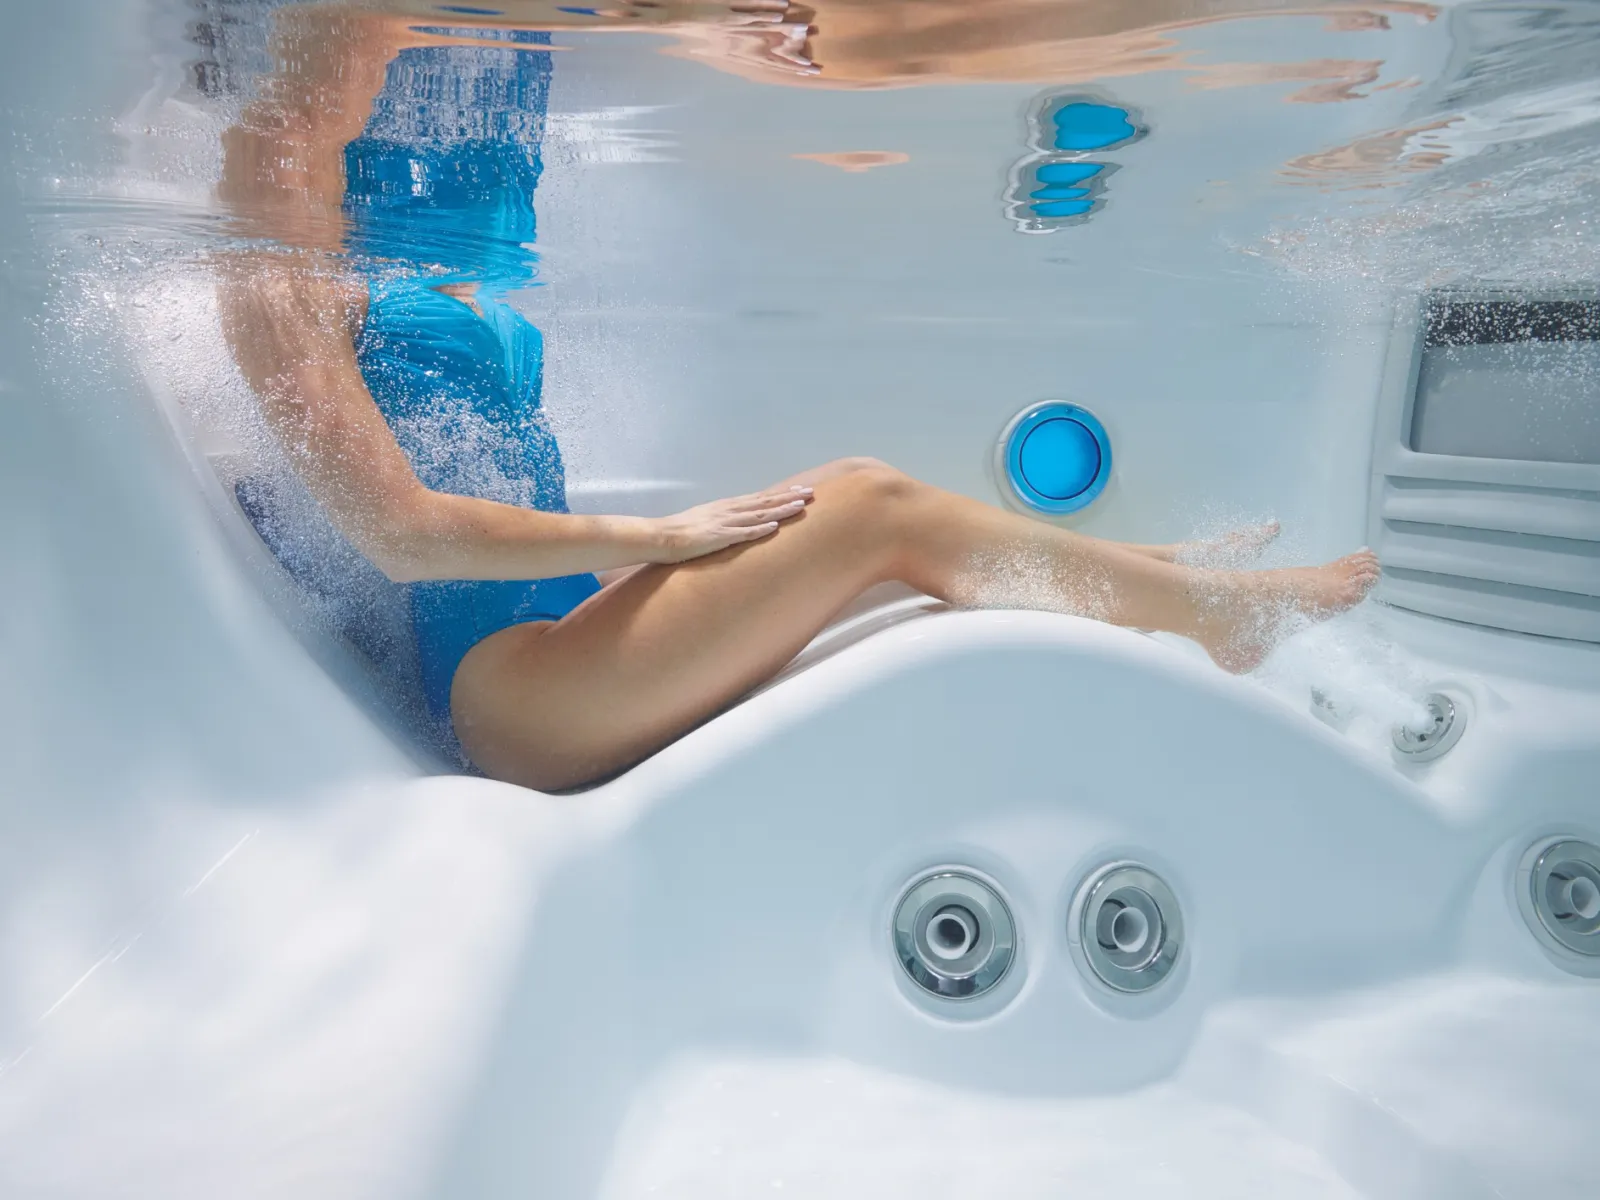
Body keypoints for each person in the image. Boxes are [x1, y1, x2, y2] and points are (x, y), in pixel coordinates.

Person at [217, 5, 1378, 791]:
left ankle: (1168, 580)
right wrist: (655, 536)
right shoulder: (270, 233)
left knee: (845, 528)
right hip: (513, 702)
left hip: (550, 623)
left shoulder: (404, 243)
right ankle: (1211, 619)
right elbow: (399, 536)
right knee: (867, 506)